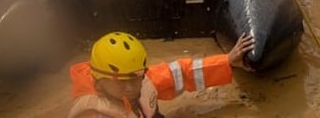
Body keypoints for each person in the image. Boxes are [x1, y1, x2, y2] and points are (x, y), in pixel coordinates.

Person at [67, 31, 254, 118]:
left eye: (135, 78)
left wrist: (227, 61)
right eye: (121, 82)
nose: (131, 87)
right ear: (99, 84)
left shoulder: (141, 80)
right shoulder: (93, 114)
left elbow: (181, 73)